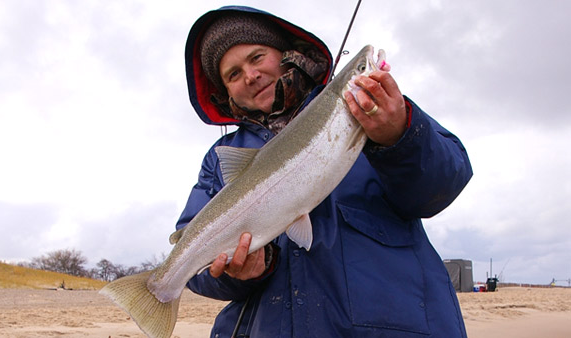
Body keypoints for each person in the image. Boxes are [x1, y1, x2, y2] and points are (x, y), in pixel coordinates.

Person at [176, 5, 472, 338]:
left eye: (257, 57)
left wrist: (400, 134)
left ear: (284, 52)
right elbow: (192, 262)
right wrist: (239, 271)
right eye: (233, 74)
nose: (250, 75)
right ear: (225, 91)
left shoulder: (376, 109)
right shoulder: (218, 159)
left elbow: (448, 179)